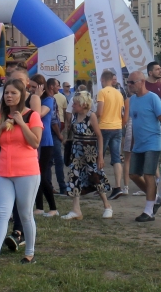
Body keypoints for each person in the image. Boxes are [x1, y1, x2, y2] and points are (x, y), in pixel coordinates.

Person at [0, 80, 43, 269]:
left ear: (22, 95)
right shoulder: (0, 117)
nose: (8, 96)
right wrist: (0, 127)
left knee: (25, 213)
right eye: (6, 92)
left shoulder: (32, 116)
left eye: (13, 93)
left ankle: (30, 253)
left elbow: (35, 143)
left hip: (27, 172)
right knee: (2, 214)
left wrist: (21, 124)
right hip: (4, 172)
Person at [125, 72, 161, 222]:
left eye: (132, 82)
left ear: (141, 82)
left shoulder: (153, 98)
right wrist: (132, 143)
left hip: (153, 142)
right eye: (128, 82)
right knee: (133, 174)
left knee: (148, 174)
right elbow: (134, 123)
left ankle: (149, 211)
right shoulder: (132, 100)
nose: (129, 85)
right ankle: (155, 198)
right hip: (138, 144)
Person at [62, 90, 113, 220]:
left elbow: (99, 136)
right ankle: (76, 209)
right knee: (75, 177)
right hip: (77, 152)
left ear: (83, 104)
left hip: (90, 152)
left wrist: (100, 156)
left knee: (95, 177)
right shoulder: (75, 116)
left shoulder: (91, 116)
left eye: (75, 103)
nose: (73, 105)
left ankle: (107, 205)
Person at [31, 74, 60, 217]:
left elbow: (38, 114)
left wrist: (35, 97)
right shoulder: (36, 99)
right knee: (36, 175)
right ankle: (39, 207)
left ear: (40, 87)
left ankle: (53, 208)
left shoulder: (49, 100)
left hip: (45, 142)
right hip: (35, 140)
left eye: (33, 87)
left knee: (42, 175)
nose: (31, 89)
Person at [96, 70, 127, 198]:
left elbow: (99, 112)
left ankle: (100, 186)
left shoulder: (102, 92)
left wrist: (93, 118)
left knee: (99, 157)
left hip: (104, 127)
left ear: (103, 79)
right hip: (117, 127)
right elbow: (122, 112)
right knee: (116, 158)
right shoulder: (119, 93)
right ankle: (117, 186)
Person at [49, 77, 70, 197]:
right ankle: (61, 187)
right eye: (58, 85)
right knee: (57, 160)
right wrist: (59, 134)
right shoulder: (50, 99)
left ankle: (50, 186)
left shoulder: (58, 98)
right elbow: (53, 120)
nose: (60, 88)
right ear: (52, 86)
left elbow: (64, 113)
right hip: (54, 130)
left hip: (55, 129)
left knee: (49, 161)